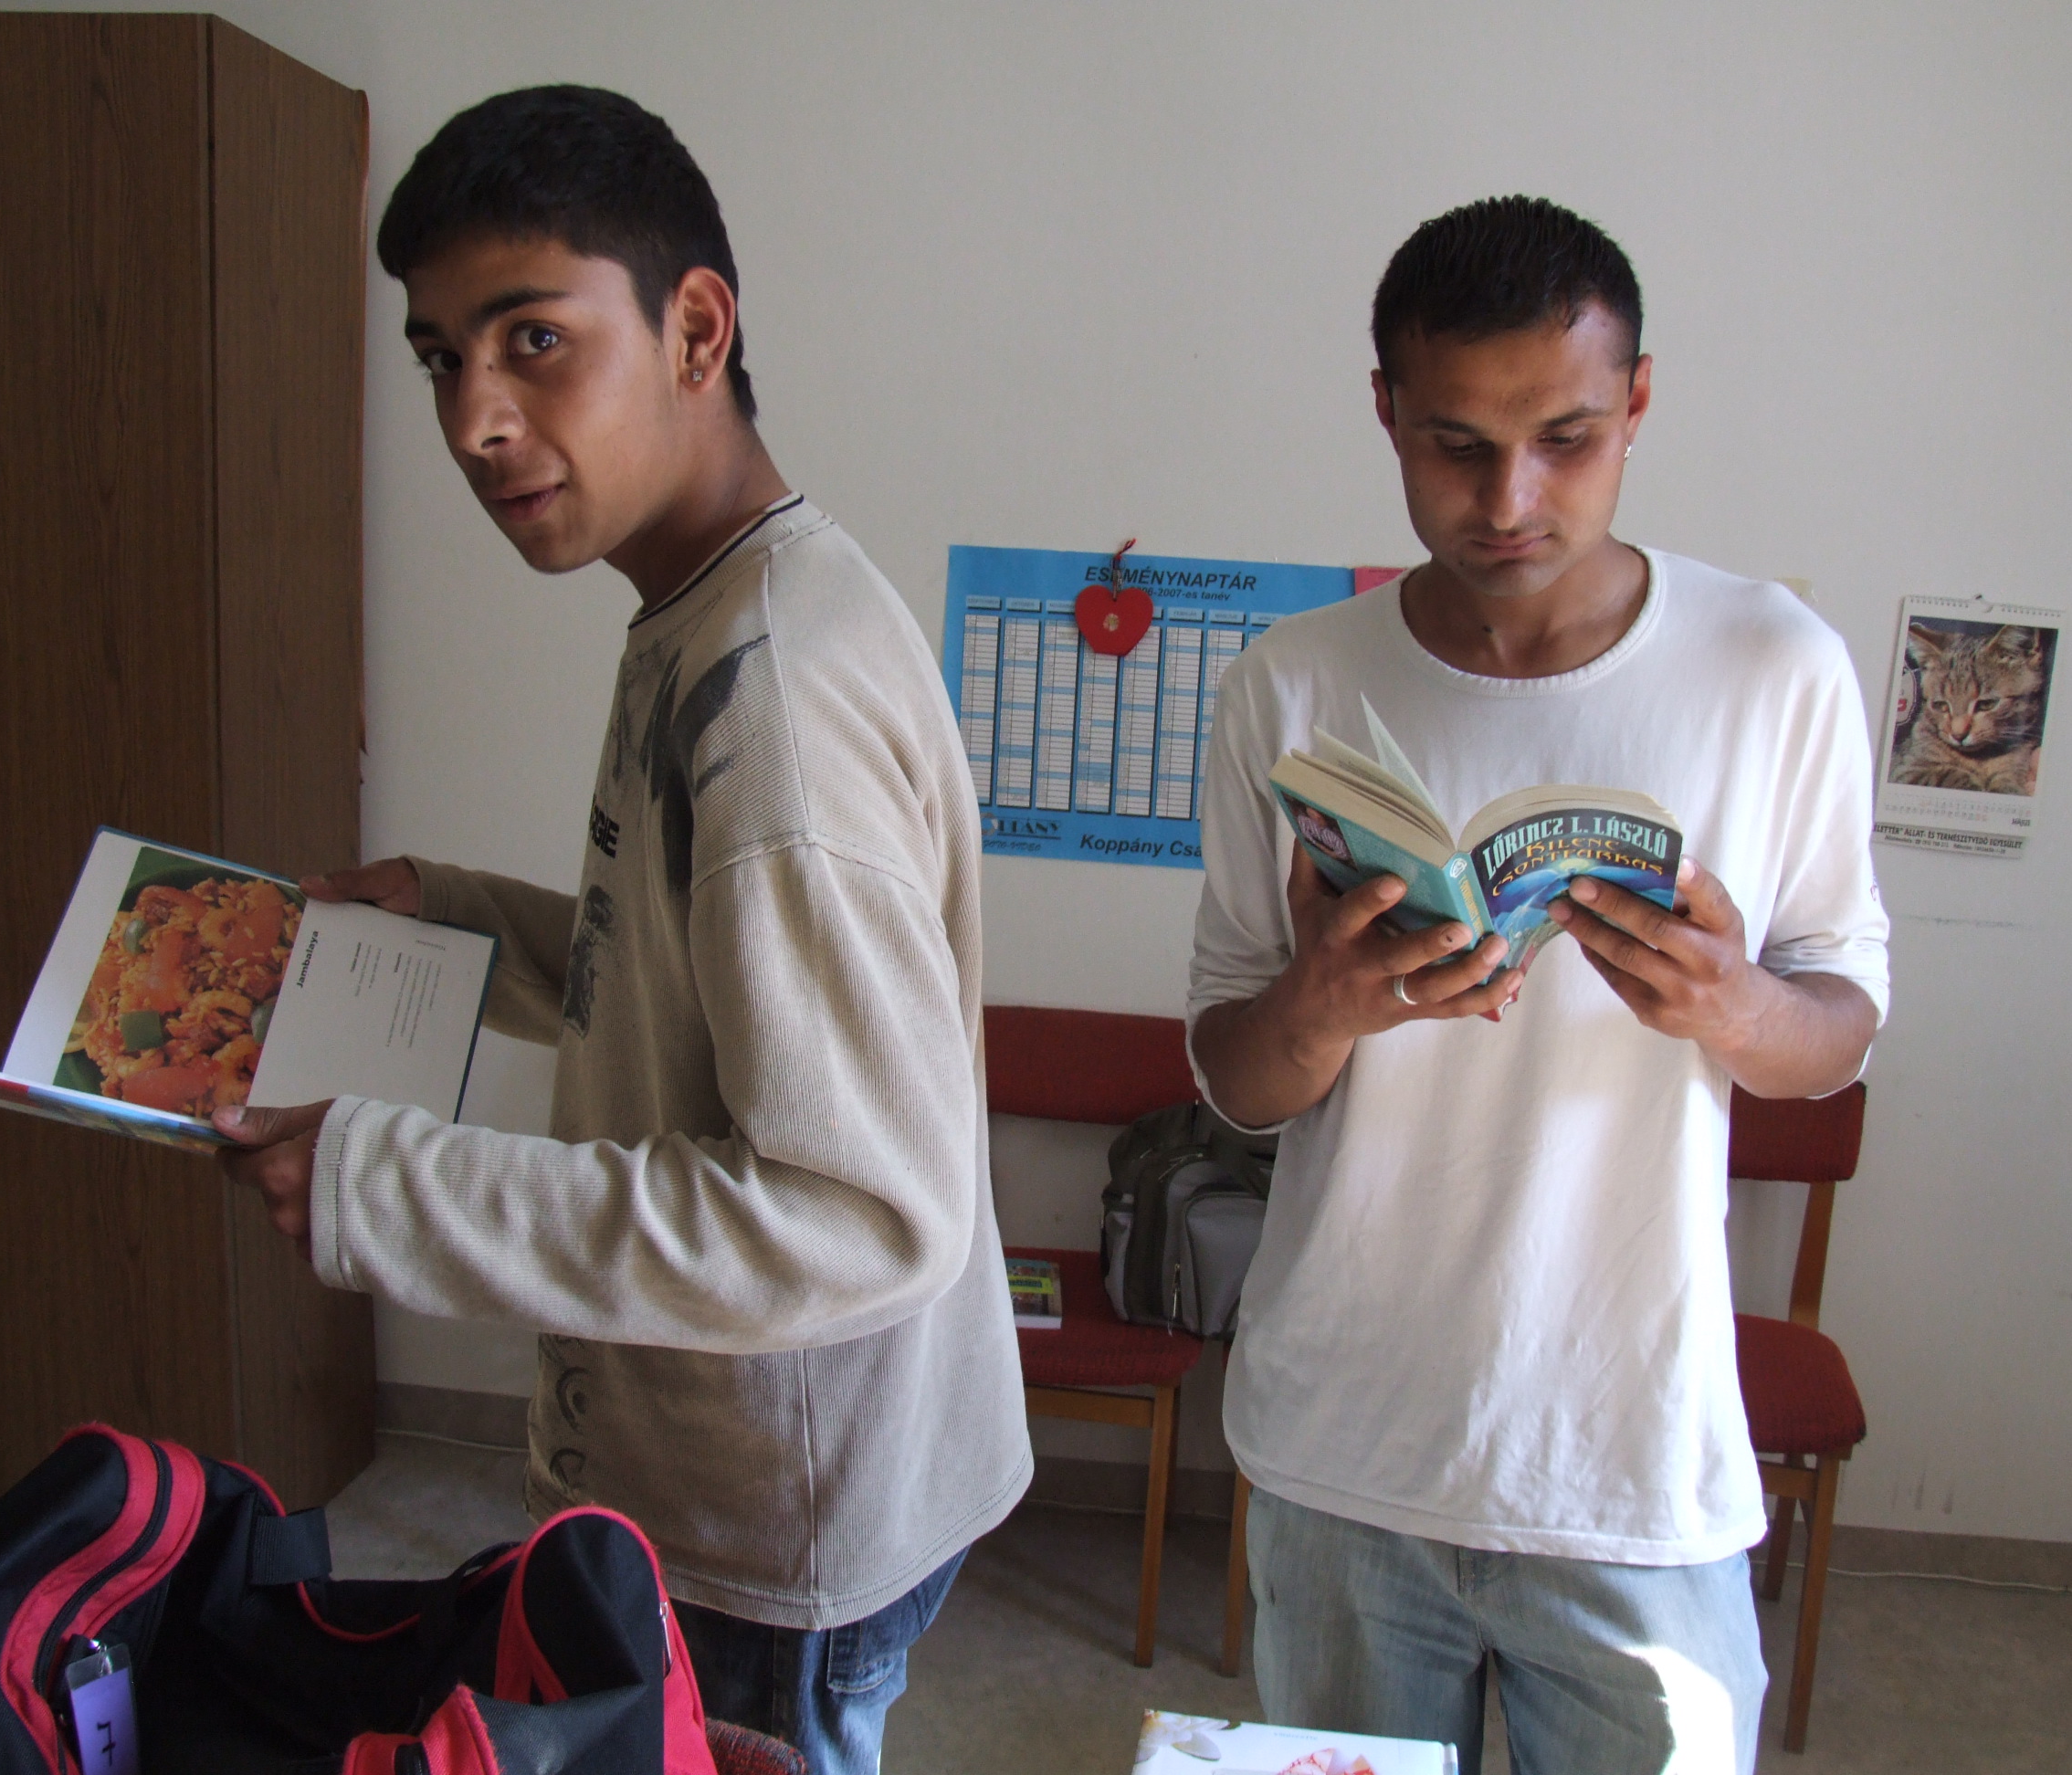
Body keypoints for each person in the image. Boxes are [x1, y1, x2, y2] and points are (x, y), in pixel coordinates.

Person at [213, 86, 1030, 1775]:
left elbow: (862, 1215)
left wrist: (383, 1183)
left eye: (534, 341)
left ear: (695, 331)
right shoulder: (706, 605)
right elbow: (683, 967)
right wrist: (451, 918)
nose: (474, 419)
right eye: (441, 357)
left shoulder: (776, 693)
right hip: (753, 1474)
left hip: (775, 1530)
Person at [1188, 196, 1889, 1773]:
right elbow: (1232, 1074)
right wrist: (1323, 1009)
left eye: (1565, 440)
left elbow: (1840, 1031)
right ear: (1385, 410)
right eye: (1455, 446)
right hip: (1342, 1448)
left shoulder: (1772, 666)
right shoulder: (1292, 684)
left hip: (1631, 1466)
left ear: (1638, 402)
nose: (1509, 500)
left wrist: (1735, 1007)